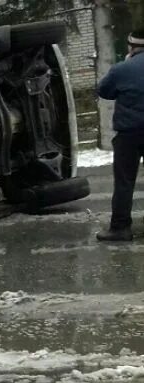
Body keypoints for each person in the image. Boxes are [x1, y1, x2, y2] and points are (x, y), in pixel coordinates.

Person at [97, 31, 144, 241]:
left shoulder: (121, 69)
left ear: (131, 47)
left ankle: (120, 228)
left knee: (124, 181)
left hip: (129, 134)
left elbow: (104, 91)